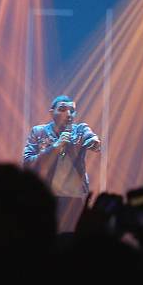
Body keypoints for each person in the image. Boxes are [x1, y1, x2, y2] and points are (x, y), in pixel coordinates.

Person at [23, 95, 101, 230]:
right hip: (47, 197)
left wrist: (94, 143)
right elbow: (28, 163)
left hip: (75, 198)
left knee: (73, 239)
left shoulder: (80, 129)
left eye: (72, 110)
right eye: (63, 109)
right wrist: (55, 147)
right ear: (51, 112)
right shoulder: (39, 132)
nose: (69, 114)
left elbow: (92, 139)